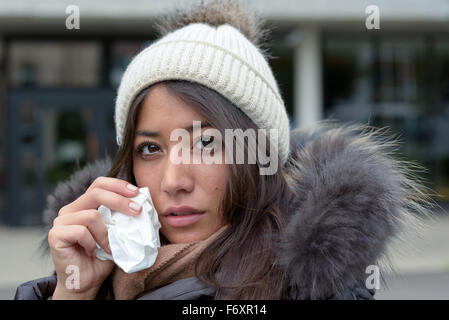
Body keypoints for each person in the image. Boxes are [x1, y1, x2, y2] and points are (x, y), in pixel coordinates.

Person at [15, 0, 435, 300]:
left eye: (207, 143)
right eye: (149, 148)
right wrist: (74, 291)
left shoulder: (310, 287)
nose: (174, 181)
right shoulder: (99, 269)